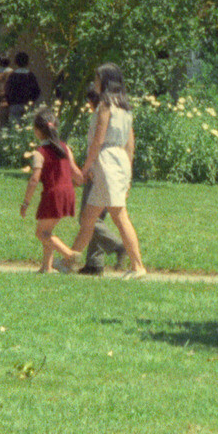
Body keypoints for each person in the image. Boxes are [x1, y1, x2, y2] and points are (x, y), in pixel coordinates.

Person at [72, 65, 145, 276]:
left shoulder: (105, 106)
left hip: (106, 161)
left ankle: (138, 266)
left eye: (97, 77)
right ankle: (70, 260)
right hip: (119, 160)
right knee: (88, 218)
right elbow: (130, 144)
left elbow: (98, 140)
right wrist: (128, 174)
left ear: (105, 80)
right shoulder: (125, 107)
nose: (95, 81)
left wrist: (86, 168)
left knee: (119, 216)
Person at [20, 112, 79, 271]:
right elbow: (74, 170)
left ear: (37, 131)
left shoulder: (40, 152)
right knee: (48, 231)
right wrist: (84, 178)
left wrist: (26, 202)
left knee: (41, 233)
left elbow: (34, 180)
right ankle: (46, 267)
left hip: (53, 194)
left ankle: (69, 255)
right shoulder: (65, 147)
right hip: (69, 193)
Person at [3, 51, 42, 119]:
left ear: (16, 62)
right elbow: (37, 91)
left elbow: (7, 91)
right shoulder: (30, 76)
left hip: (14, 106)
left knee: (14, 127)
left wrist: (9, 102)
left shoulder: (12, 76)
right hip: (27, 105)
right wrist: (32, 101)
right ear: (27, 62)